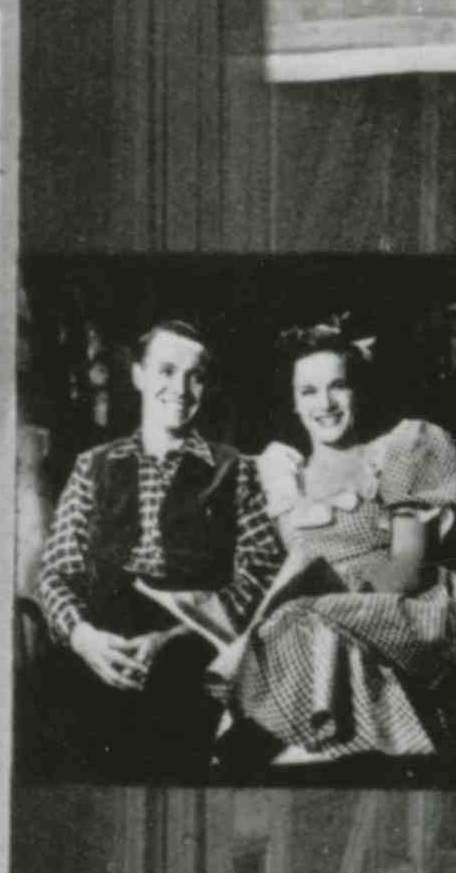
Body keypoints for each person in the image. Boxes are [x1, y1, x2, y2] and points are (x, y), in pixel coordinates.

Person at [229, 322, 456, 765]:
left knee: (305, 618)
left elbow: (407, 568)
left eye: (339, 387)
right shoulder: (279, 476)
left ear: (358, 392)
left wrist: (325, 598)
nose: (326, 404)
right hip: (305, 639)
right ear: (294, 402)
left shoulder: (397, 451)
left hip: (401, 611)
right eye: (309, 391)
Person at [31, 316, 286, 769]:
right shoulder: (93, 465)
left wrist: (175, 637)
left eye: (196, 376)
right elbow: (56, 570)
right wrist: (83, 636)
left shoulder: (235, 469)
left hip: (190, 641)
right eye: (167, 371)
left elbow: (260, 573)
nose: (181, 389)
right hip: (98, 636)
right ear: (139, 376)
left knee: (171, 733)